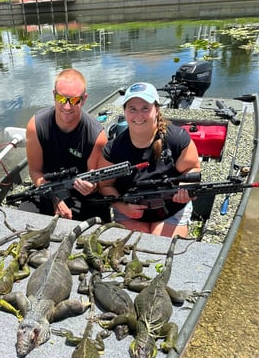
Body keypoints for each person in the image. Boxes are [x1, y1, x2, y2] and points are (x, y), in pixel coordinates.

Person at [98, 82, 201, 237]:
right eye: (132, 109)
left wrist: (185, 188)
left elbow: (193, 169)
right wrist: (122, 206)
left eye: (145, 108)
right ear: (125, 112)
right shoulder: (113, 149)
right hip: (130, 211)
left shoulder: (176, 139)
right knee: (132, 247)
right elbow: (105, 186)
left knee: (160, 248)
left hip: (171, 209)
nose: (139, 115)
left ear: (157, 109)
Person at [24, 68, 110, 221]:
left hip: (80, 196)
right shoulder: (36, 126)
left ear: (83, 99)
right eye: (61, 99)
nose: (67, 107)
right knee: (23, 215)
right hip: (47, 187)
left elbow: (95, 182)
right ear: (54, 95)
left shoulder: (97, 136)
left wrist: (92, 187)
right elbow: (35, 172)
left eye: (74, 100)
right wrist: (54, 197)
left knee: (98, 223)